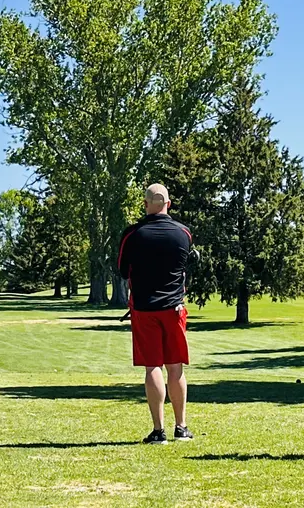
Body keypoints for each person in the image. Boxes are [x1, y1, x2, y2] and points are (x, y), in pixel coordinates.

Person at [118, 184, 194, 445]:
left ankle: (158, 430)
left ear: (145, 203)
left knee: (153, 366)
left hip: (144, 308)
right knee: (176, 367)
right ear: (168, 204)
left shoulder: (133, 234)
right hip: (174, 308)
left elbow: (121, 270)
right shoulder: (183, 233)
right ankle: (181, 427)